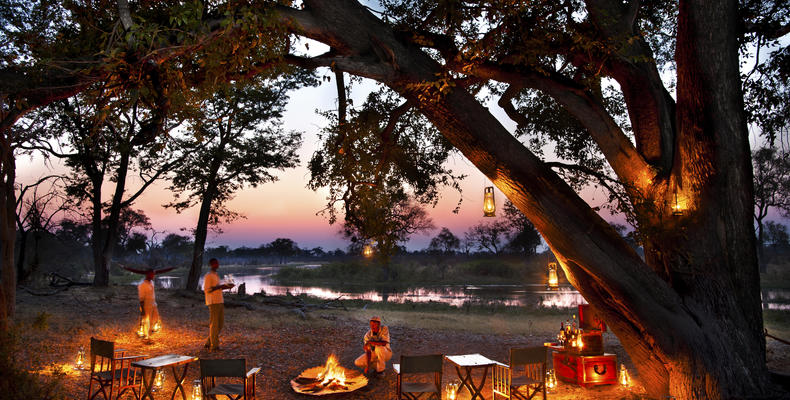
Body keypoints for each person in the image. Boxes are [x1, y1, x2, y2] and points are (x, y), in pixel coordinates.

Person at [203, 258, 234, 351]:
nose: (217, 265)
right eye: (215, 264)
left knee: (220, 324)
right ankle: (214, 346)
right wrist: (221, 286)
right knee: (214, 324)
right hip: (213, 302)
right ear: (211, 265)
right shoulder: (208, 276)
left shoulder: (216, 275)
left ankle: (209, 342)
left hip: (220, 300)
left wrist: (226, 287)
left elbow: (217, 288)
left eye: (217, 263)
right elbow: (207, 289)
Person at [137, 270, 160, 340]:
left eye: (153, 274)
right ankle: (146, 336)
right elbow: (141, 298)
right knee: (146, 320)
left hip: (153, 303)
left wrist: (154, 303)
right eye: (151, 274)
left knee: (156, 318)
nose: (153, 276)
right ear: (147, 275)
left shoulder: (152, 282)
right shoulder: (142, 285)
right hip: (146, 304)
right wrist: (142, 309)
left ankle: (152, 331)